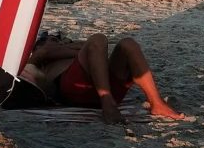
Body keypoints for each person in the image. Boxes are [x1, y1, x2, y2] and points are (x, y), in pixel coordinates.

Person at [17, 31, 184, 124]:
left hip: (105, 87)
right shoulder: (41, 55)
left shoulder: (74, 50)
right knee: (98, 39)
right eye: (52, 39)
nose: (56, 41)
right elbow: (44, 53)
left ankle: (157, 103)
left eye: (57, 39)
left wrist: (67, 46)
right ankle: (107, 102)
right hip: (74, 90)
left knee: (128, 43)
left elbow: (96, 50)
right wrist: (60, 47)